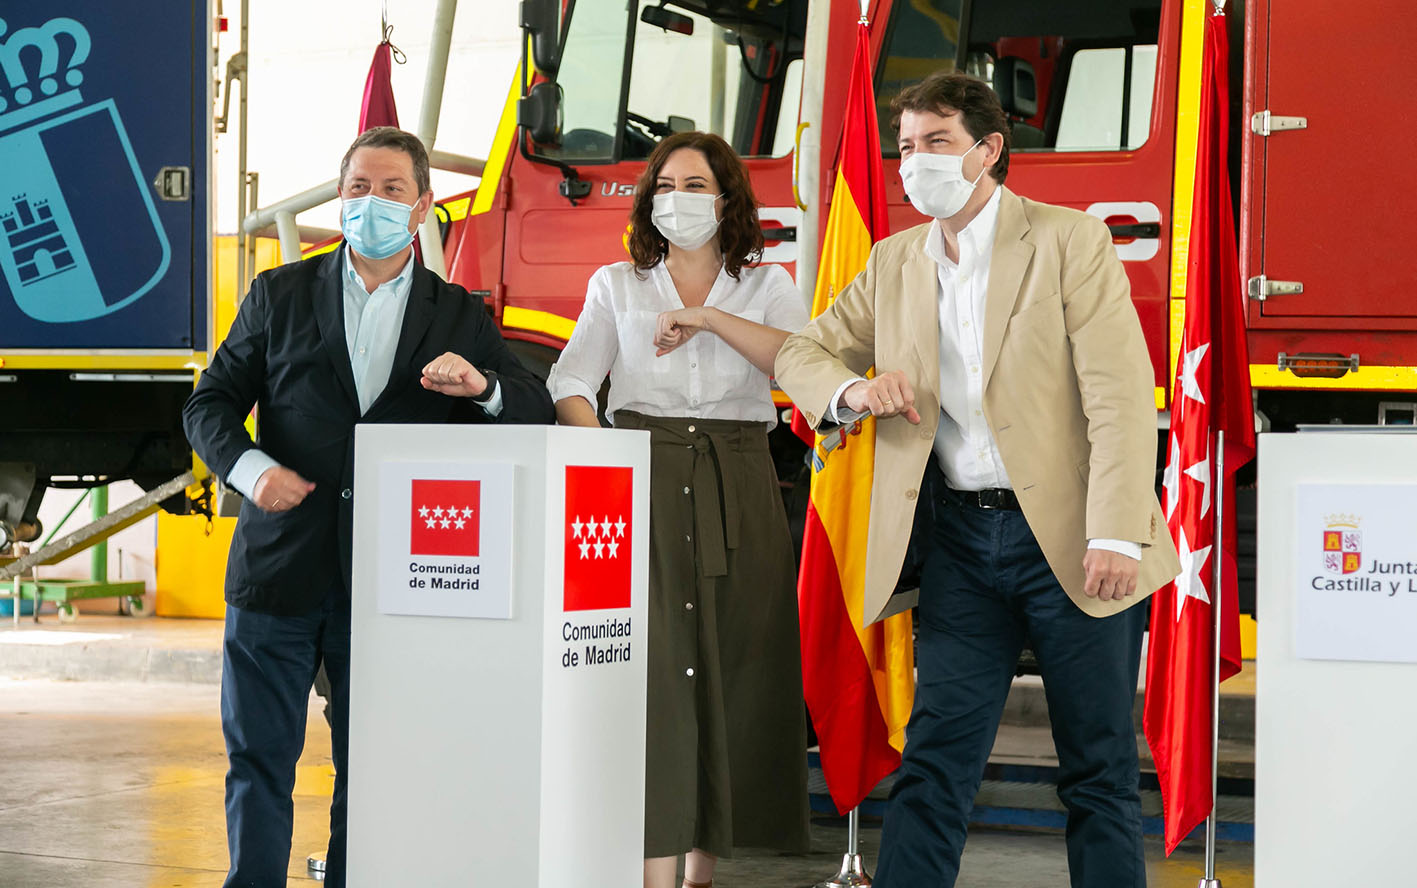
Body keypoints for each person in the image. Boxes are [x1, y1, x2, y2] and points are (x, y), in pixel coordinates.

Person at [774, 72, 1182, 888]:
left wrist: (1113, 534)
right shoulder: (893, 262)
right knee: (934, 765)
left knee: (1096, 772)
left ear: (989, 151)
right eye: (905, 147)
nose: (914, 162)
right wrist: (853, 391)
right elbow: (800, 353)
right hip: (960, 542)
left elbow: (1116, 397)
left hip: (1072, 540)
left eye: (936, 143)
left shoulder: (1068, 241)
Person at [183, 126, 554, 888]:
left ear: (421, 208)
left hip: (395, 585)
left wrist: (482, 389)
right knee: (258, 757)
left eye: (391, 190)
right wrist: (251, 471)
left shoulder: (456, 314)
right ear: (339, 196)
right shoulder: (278, 295)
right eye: (359, 188)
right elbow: (210, 403)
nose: (372, 203)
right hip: (278, 570)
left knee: (376, 766)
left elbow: (532, 404)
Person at [547, 131, 810, 888]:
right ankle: (650, 869)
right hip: (644, 474)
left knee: (734, 664)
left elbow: (796, 363)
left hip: (739, 477)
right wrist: (608, 461)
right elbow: (570, 381)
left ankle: (702, 867)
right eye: (665, 185)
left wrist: (710, 320)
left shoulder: (767, 283)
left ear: (726, 198)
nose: (678, 199)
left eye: (696, 185)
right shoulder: (616, 283)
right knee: (655, 674)